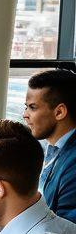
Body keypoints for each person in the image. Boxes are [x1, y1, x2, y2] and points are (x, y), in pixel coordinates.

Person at [23, 67, 76, 222]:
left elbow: (67, 232)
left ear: (59, 112)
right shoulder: (49, 149)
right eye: (26, 107)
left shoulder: (73, 165)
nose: (25, 115)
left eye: (32, 107)